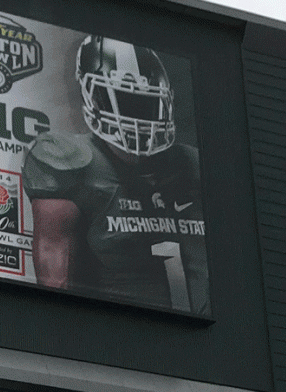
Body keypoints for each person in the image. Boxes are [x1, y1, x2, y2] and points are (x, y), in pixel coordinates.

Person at [23, 36, 208, 314]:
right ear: (91, 95)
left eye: (144, 103)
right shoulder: (69, 160)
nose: (136, 117)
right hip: (116, 341)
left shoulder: (195, 166)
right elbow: (56, 291)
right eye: (123, 99)